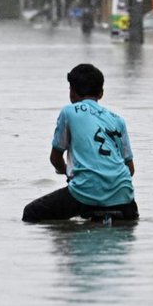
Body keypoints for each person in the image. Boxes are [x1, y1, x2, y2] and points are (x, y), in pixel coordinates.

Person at [22, 63, 138, 223]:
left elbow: (55, 158)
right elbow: (130, 169)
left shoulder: (69, 112)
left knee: (31, 213)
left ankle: (65, 244)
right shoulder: (118, 120)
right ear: (101, 93)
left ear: (72, 93)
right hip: (125, 198)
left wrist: (66, 172)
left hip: (84, 192)